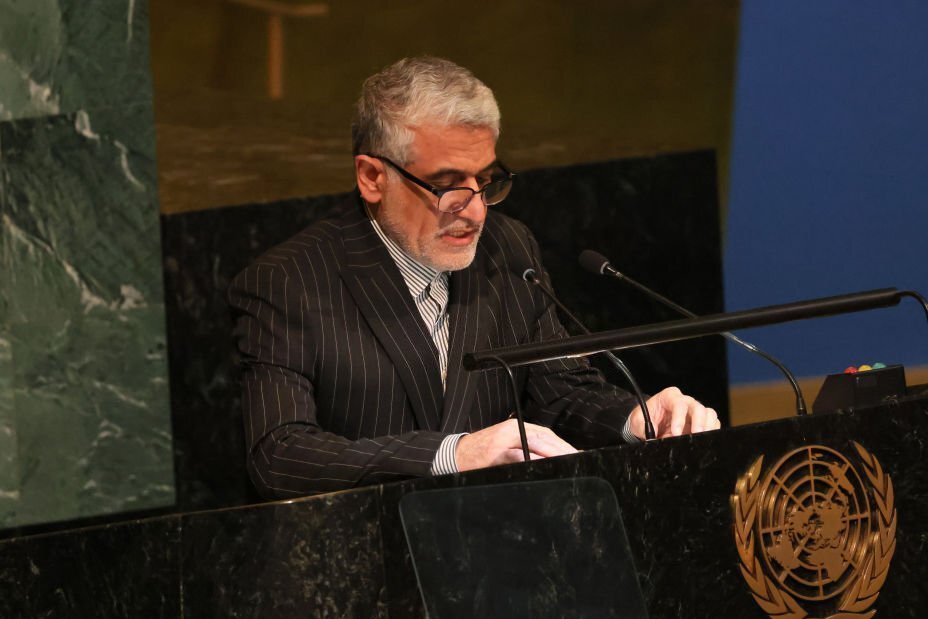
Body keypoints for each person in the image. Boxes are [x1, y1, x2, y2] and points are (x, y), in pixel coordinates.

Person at [228, 56, 719, 499]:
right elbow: (279, 454)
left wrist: (637, 417)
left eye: (484, 181)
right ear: (372, 177)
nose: (476, 211)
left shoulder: (508, 247)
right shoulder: (288, 281)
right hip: (364, 549)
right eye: (446, 186)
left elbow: (560, 391)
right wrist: (453, 455)